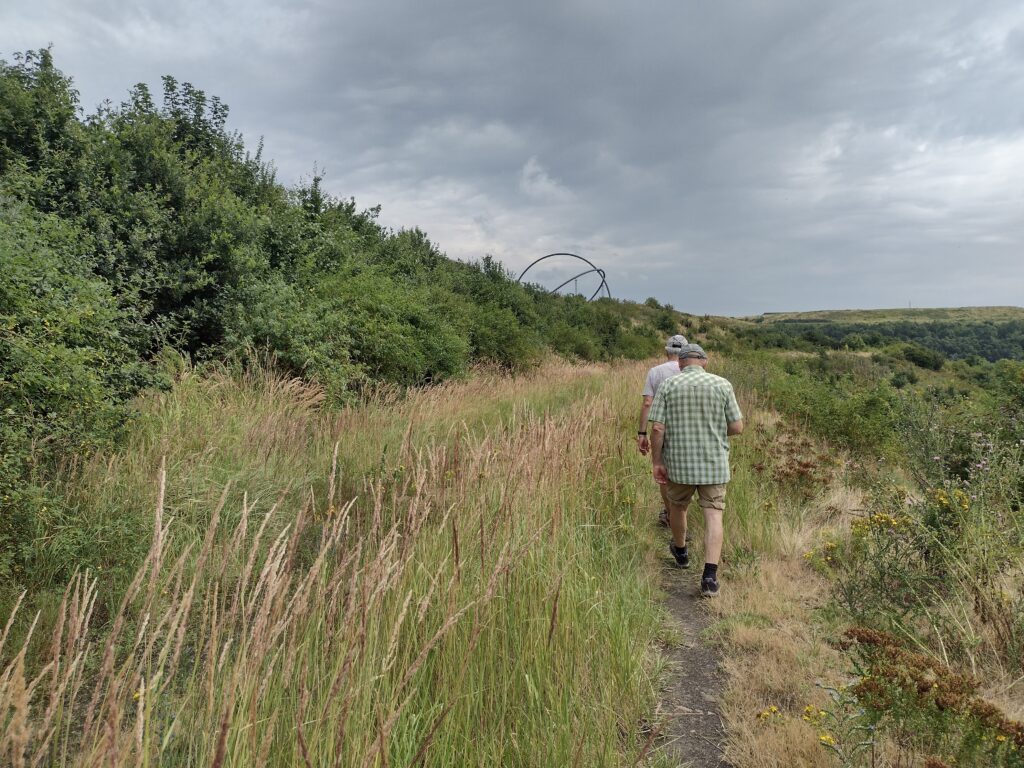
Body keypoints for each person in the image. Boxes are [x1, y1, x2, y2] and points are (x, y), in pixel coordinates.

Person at [648, 343, 743, 597]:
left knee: (678, 506)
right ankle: (710, 577)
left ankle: (681, 552)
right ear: (705, 361)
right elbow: (737, 427)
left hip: (679, 463)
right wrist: (713, 433)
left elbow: (657, 428)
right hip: (714, 462)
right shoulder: (723, 385)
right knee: (714, 514)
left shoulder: (668, 385)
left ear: (680, 363)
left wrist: (657, 462)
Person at [638, 334, 688, 526]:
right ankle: (681, 514)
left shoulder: (655, 372)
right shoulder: (690, 371)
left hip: (661, 428)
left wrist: (642, 433)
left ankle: (669, 512)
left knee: (663, 474)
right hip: (685, 428)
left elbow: (647, 403)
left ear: (666, 351)